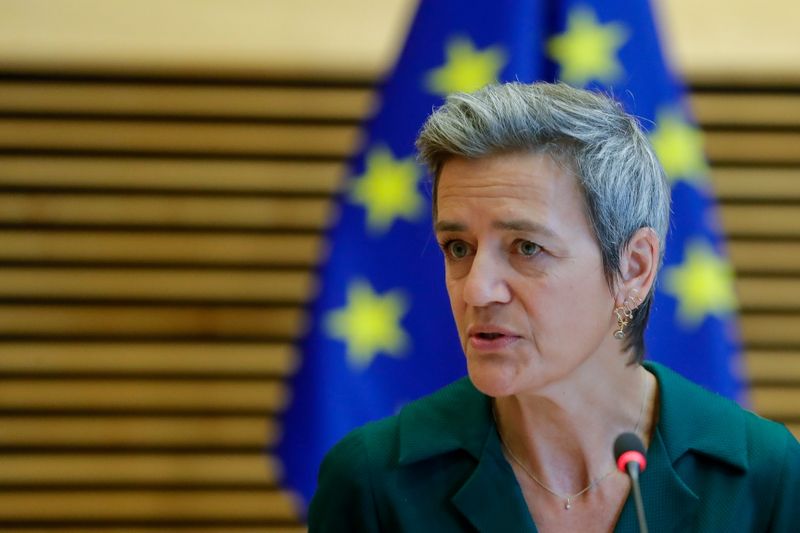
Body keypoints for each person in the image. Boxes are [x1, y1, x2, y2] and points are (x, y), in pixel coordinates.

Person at [307, 82, 800, 532]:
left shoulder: (764, 477)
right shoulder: (374, 481)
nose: (477, 290)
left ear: (634, 269)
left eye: (526, 247)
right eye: (458, 247)